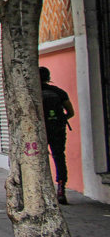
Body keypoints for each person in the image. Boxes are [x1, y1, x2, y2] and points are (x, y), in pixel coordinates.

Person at [40, 67, 75, 204]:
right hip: (57, 130)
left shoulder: (32, 93)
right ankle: (61, 188)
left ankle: (42, 190)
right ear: (48, 77)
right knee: (59, 157)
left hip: (40, 130)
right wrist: (59, 119)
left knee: (39, 159)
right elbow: (71, 112)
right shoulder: (59, 92)